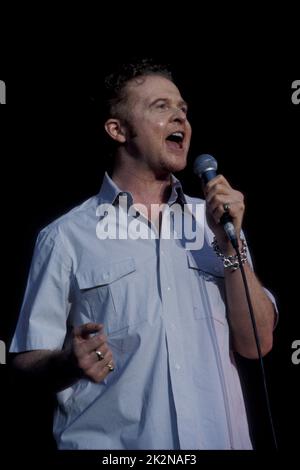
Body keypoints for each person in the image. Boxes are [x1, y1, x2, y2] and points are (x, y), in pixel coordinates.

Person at [10, 59, 277, 450]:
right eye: (161, 107)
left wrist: (229, 247)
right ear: (118, 130)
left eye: (183, 109)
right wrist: (67, 363)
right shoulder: (66, 237)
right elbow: (25, 363)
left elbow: (258, 343)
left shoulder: (214, 223)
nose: (180, 118)